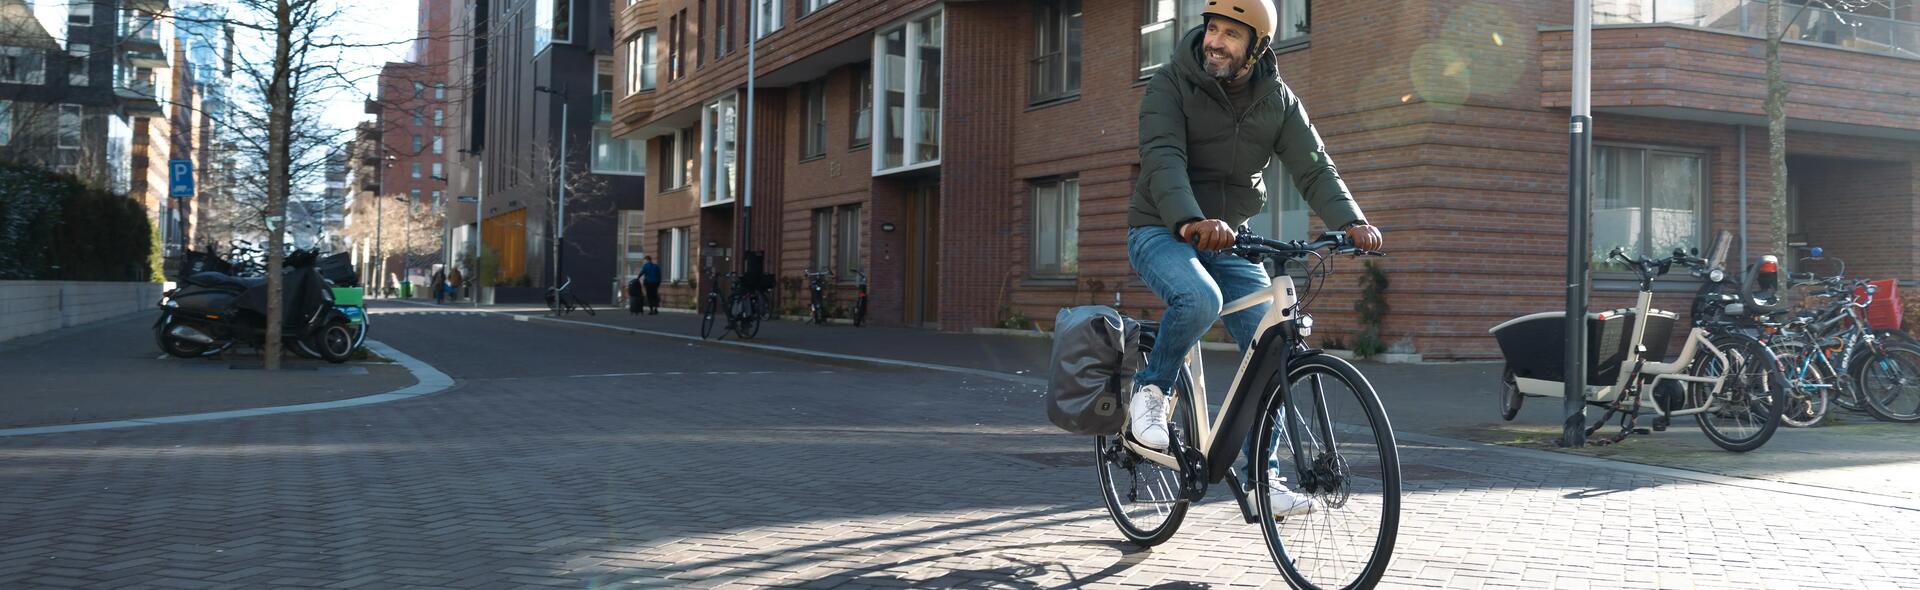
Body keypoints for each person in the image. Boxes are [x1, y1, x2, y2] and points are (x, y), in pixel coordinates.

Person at [1126, 0, 1385, 518]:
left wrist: (1351, 220)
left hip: (1230, 237)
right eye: (1212, 29)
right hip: (1162, 228)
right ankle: (1149, 392)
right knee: (1200, 298)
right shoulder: (1170, 83)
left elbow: (1314, 167)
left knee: (1275, 344)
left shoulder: (1278, 100)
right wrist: (1188, 220)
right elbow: (1163, 159)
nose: (1216, 41)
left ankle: (1259, 479)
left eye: (1231, 34)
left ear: (1256, 47)